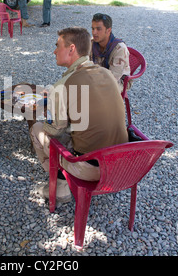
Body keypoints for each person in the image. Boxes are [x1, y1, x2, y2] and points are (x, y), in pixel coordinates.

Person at [30, 27, 128, 202]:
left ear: (71, 49)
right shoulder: (106, 73)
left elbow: (54, 131)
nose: (54, 51)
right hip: (122, 164)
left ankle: (60, 186)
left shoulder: (62, 85)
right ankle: (61, 182)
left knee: (37, 128)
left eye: (57, 45)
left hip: (90, 168)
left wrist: (48, 113)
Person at [90, 13, 131, 92]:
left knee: (96, 92)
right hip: (96, 76)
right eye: (92, 28)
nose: (94, 32)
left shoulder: (119, 49)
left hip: (118, 81)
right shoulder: (91, 43)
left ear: (108, 30)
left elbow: (113, 78)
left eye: (98, 29)